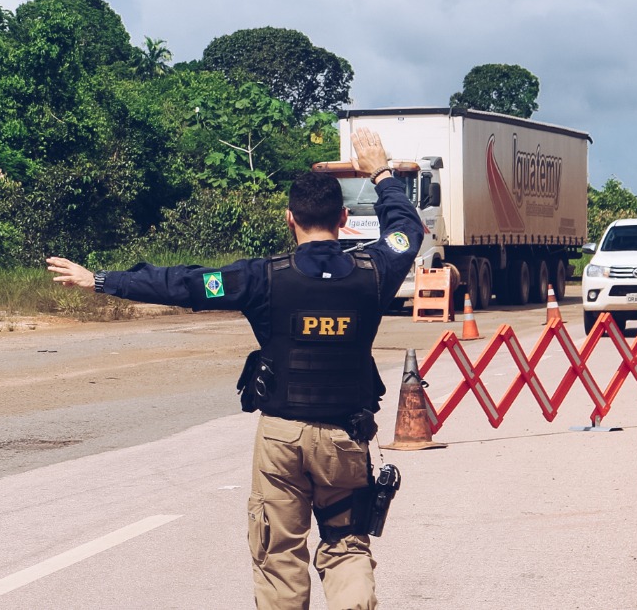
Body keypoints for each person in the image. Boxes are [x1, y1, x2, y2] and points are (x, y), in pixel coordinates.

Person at [46, 127, 423, 610]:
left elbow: (183, 284)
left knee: (279, 554)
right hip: (344, 438)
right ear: (344, 218)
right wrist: (382, 174)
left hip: (281, 438)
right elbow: (406, 231)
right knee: (346, 548)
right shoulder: (376, 270)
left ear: (290, 219)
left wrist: (101, 280)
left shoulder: (260, 278)